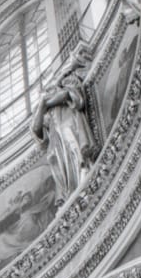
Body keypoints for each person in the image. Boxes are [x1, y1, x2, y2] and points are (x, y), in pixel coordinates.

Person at [32, 53, 98, 204]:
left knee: (74, 148)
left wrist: (47, 102)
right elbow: (36, 129)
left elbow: (69, 96)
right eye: (45, 92)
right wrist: (42, 104)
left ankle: (84, 175)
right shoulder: (44, 112)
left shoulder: (65, 91)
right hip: (55, 140)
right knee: (57, 160)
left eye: (49, 90)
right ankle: (71, 192)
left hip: (68, 124)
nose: (47, 93)